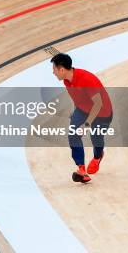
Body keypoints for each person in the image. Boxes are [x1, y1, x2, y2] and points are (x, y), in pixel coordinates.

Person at [51, 53, 113, 183]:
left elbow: (98, 104)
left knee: (96, 138)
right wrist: (75, 114)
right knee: (73, 134)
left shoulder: (86, 79)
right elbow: (77, 98)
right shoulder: (67, 81)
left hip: (102, 113)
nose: (53, 73)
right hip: (83, 110)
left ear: (61, 69)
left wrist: (86, 125)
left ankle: (97, 157)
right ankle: (81, 170)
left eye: (54, 69)